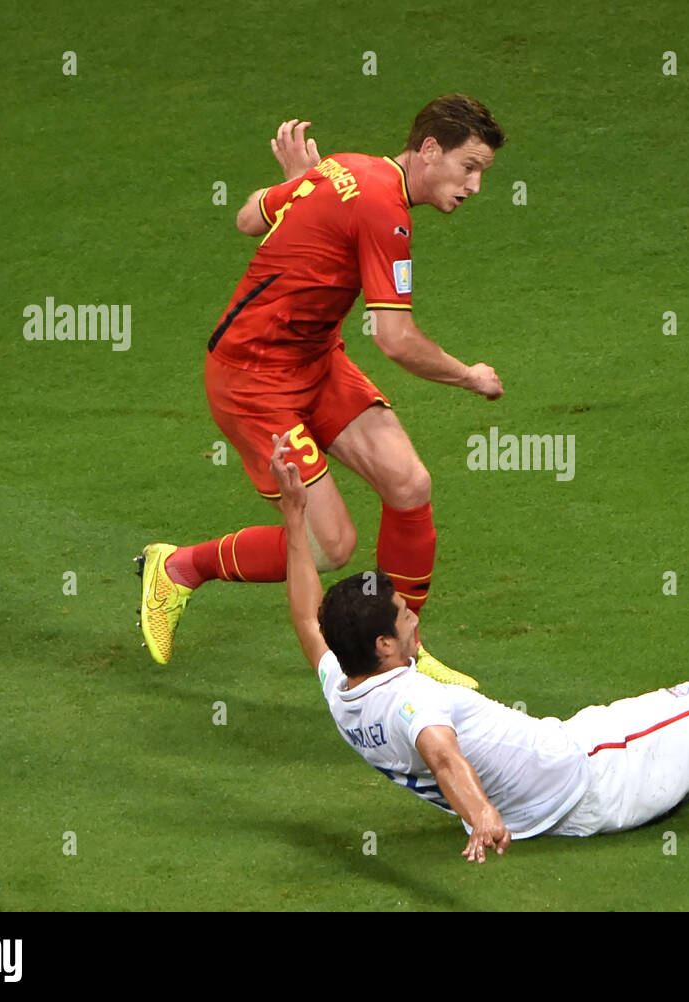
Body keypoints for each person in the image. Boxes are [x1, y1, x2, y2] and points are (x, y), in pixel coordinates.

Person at [268, 435, 689, 863]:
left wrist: (295, 516)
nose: (416, 615)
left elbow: (306, 616)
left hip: (574, 760)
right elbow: (441, 752)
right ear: (386, 646)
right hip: (595, 775)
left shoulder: (344, 683)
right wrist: (480, 818)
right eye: (403, 616)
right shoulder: (412, 696)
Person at [136, 96, 507, 688]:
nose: (477, 185)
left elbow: (250, 217)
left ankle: (405, 657)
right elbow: (394, 338)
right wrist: (469, 376)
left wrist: (299, 192)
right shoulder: (386, 209)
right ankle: (179, 566)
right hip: (253, 379)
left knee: (410, 484)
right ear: (430, 149)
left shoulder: (342, 167)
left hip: (315, 360)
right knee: (330, 544)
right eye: (469, 166)